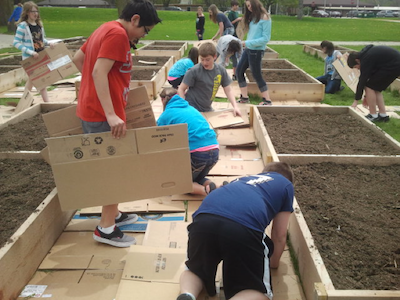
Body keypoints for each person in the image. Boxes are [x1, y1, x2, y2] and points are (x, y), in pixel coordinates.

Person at [72, 0, 161, 248]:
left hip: (95, 110)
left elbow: (79, 59)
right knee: (114, 169)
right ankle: (106, 229)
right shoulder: (117, 34)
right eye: (145, 30)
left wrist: (94, 87)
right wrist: (110, 113)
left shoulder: (105, 28)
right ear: (135, 20)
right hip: (102, 116)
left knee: (113, 165)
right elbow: (99, 72)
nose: (143, 36)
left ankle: (113, 214)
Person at [176, 162, 295, 300]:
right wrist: (273, 264)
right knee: (257, 291)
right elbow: (279, 235)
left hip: (204, 219)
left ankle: (187, 294)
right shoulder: (286, 185)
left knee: (195, 269)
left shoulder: (242, 180)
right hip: (243, 227)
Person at [157, 87, 219, 196]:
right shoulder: (191, 109)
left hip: (197, 153)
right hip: (214, 150)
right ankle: (217, 188)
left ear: (163, 100)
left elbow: (156, 138)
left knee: (180, 183)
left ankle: (207, 192)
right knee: (198, 177)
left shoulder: (166, 115)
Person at [177, 42, 242, 117]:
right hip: (192, 107)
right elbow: (181, 89)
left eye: (207, 60)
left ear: (214, 57)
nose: (204, 63)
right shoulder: (194, 71)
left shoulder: (220, 70)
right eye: (202, 59)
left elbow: (228, 89)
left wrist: (235, 106)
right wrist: (185, 107)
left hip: (207, 108)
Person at [13, 1, 54, 103]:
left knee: (34, 80)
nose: (35, 14)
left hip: (41, 57)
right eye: (32, 11)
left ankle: (24, 102)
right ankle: (46, 103)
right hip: (30, 58)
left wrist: (49, 43)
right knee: (40, 81)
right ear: (27, 12)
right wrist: (31, 52)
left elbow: (41, 40)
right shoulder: (23, 26)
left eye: (36, 11)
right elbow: (16, 43)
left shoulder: (39, 25)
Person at [347, 45, 400, 123]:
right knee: (375, 88)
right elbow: (371, 76)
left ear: (357, 60)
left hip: (394, 65)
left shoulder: (366, 59)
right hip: (394, 64)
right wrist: (366, 96)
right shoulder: (366, 55)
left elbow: (362, 80)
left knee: (369, 86)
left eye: (356, 67)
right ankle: (383, 115)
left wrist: (356, 100)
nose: (358, 69)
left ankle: (373, 115)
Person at [236, 0, 272, 106]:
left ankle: (267, 100)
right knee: (239, 71)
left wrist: (246, 42)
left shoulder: (265, 17)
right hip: (248, 49)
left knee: (256, 75)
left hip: (256, 51)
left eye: (250, 5)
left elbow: (265, 39)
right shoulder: (254, 17)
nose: (249, 7)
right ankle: (244, 97)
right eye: (247, 6)